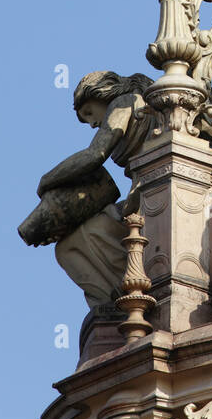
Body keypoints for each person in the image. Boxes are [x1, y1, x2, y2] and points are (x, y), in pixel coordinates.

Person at [28, 71, 152, 307]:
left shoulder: (124, 102)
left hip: (148, 197)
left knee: (72, 245)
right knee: (67, 247)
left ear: (100, 93)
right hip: (141, 196)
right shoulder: (128, 106)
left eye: (88, 113)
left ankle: (123, 293)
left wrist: (47, 180)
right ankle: (116, 297)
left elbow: (94, 155)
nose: (92, 122)